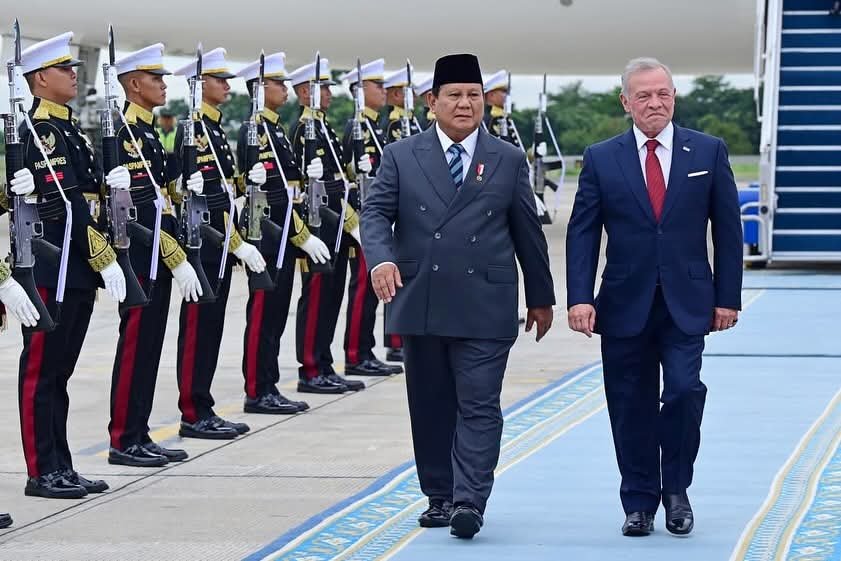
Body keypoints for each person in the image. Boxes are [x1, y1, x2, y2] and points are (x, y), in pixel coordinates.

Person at [362, 53, 555, 539]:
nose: (465, 103)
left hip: (485, 302)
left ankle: (469, 500)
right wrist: (381, 259)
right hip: (420, 297)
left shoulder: (508, 158)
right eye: (454, 95)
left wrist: (541, 296)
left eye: (473, 95)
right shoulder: (401, 155)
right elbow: (375, 214)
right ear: (432, 102)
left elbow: (528, 232)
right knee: (430, 405)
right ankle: (440, 495)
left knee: (480, 405)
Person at [565, 57, 743, 537]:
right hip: (623, 302)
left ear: (674, 97)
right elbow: (583, 233)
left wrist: (728, 297)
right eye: (643, 95)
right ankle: (639, 501)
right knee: (630, 403)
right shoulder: (602, 158)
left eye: (663, 93)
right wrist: (579, 297)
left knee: (684, 391)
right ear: (626, 102)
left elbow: (729, 231)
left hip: (688, 301)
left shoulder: (707, 151)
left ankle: (676, 489)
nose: (655, 103)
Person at [17, 32, 127, 498]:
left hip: (75, 267)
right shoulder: (41, 130)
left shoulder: (70, 129)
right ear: (41, 78)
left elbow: (86, 197)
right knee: (42, 374)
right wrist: (103, 256)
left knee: (60, 374)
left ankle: (61, 465)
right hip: (53, 267)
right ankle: (42, 471)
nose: (74, 75)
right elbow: (65, 206)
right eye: (65, 69)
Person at [107, 43, 203, 466]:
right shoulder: (123, 133)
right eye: (155, 78)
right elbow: (136, 211)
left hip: (156, 259)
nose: (164, 85)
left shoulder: (147, 132)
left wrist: (186, 181)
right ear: (133, 84)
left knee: (149, 349)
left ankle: (139, 433)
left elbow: (163, 194)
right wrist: (174, 254)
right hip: (140, 258)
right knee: (136, 347)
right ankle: (123, 438)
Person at [171, 47, 267, 439]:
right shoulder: (192, 130)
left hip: (220, 247)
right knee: (198, 330)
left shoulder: (213, 129)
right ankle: (193, 411)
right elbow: (191, 195)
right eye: (219, 79)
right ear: (199, 85)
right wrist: (237, 241)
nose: (227, 86)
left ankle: (203, 406)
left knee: (211, 329)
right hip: (204, 246)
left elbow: (223, 190)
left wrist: (247, 181)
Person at [236, 51, 329, 413]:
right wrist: (301, 234)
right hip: (266, 236)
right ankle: (257, 390)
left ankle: (269, 386)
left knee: (275, 316)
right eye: (278, 83)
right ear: (260, 89)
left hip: (282, 236)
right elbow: (261, 194)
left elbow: (287, 192)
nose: (285, 88)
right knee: (262, 316)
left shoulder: (275, 130)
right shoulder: (254, 130)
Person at [289, 58, 366, 394]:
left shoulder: (323, 127)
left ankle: (324, 363)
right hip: (317, 226)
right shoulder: (301, 129)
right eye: (323, 88)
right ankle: (310, 369)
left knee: (332, 297)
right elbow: (301, 188)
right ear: (305, 92)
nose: (330, 94)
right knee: (317, 298)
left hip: (335, 228)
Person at [339, 58, 402, 377]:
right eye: (378, 86)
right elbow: (344, 176)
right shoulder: (356, 127)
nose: (384, 91)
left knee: (374, 292)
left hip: (380, 218)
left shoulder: (375, 127)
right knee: (363, 288)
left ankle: (366, 350)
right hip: (363, 219)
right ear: (360, 90)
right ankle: (355, 353)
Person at [482, 70, 522, 148]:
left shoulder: (502, 116)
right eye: (504, 91)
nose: (507, 95)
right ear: (491, 95)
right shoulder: (488, 119)